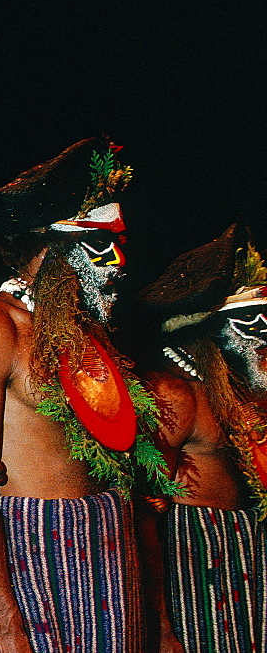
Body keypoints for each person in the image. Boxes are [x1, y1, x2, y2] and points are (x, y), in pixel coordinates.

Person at [0, 138, 179, 653]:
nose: (118, 262)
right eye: (100, 245)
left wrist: (158, 623)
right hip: (34, 559)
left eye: (119, 242)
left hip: (111, 557)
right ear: (50, 249)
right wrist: (4, 622)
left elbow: (128, 478)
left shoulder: (88, 336)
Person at [139, 224, 267, 653]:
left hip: (252, 568)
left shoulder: (248, 392)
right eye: (249, 320)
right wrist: (160, 628)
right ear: (208, 329)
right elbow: (144, 516)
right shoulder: (175, 394)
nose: (265, 332)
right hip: (196, 574)